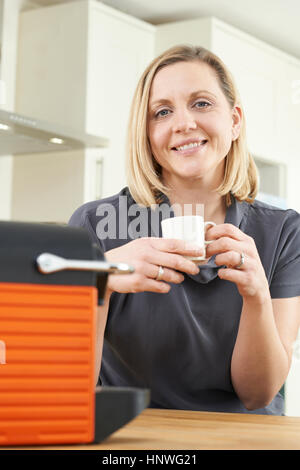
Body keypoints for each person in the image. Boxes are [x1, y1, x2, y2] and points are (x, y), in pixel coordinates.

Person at [69, 45, 300, 415]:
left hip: (244, 440)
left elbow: (257, 394)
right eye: (162, 112)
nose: (183, 124)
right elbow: (69, 388)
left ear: (235, 120)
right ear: (146, 133)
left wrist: (256, 295)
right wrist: (102, 280)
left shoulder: (285, 232)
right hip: (135, 437)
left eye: (202, 103)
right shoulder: (95, 226)